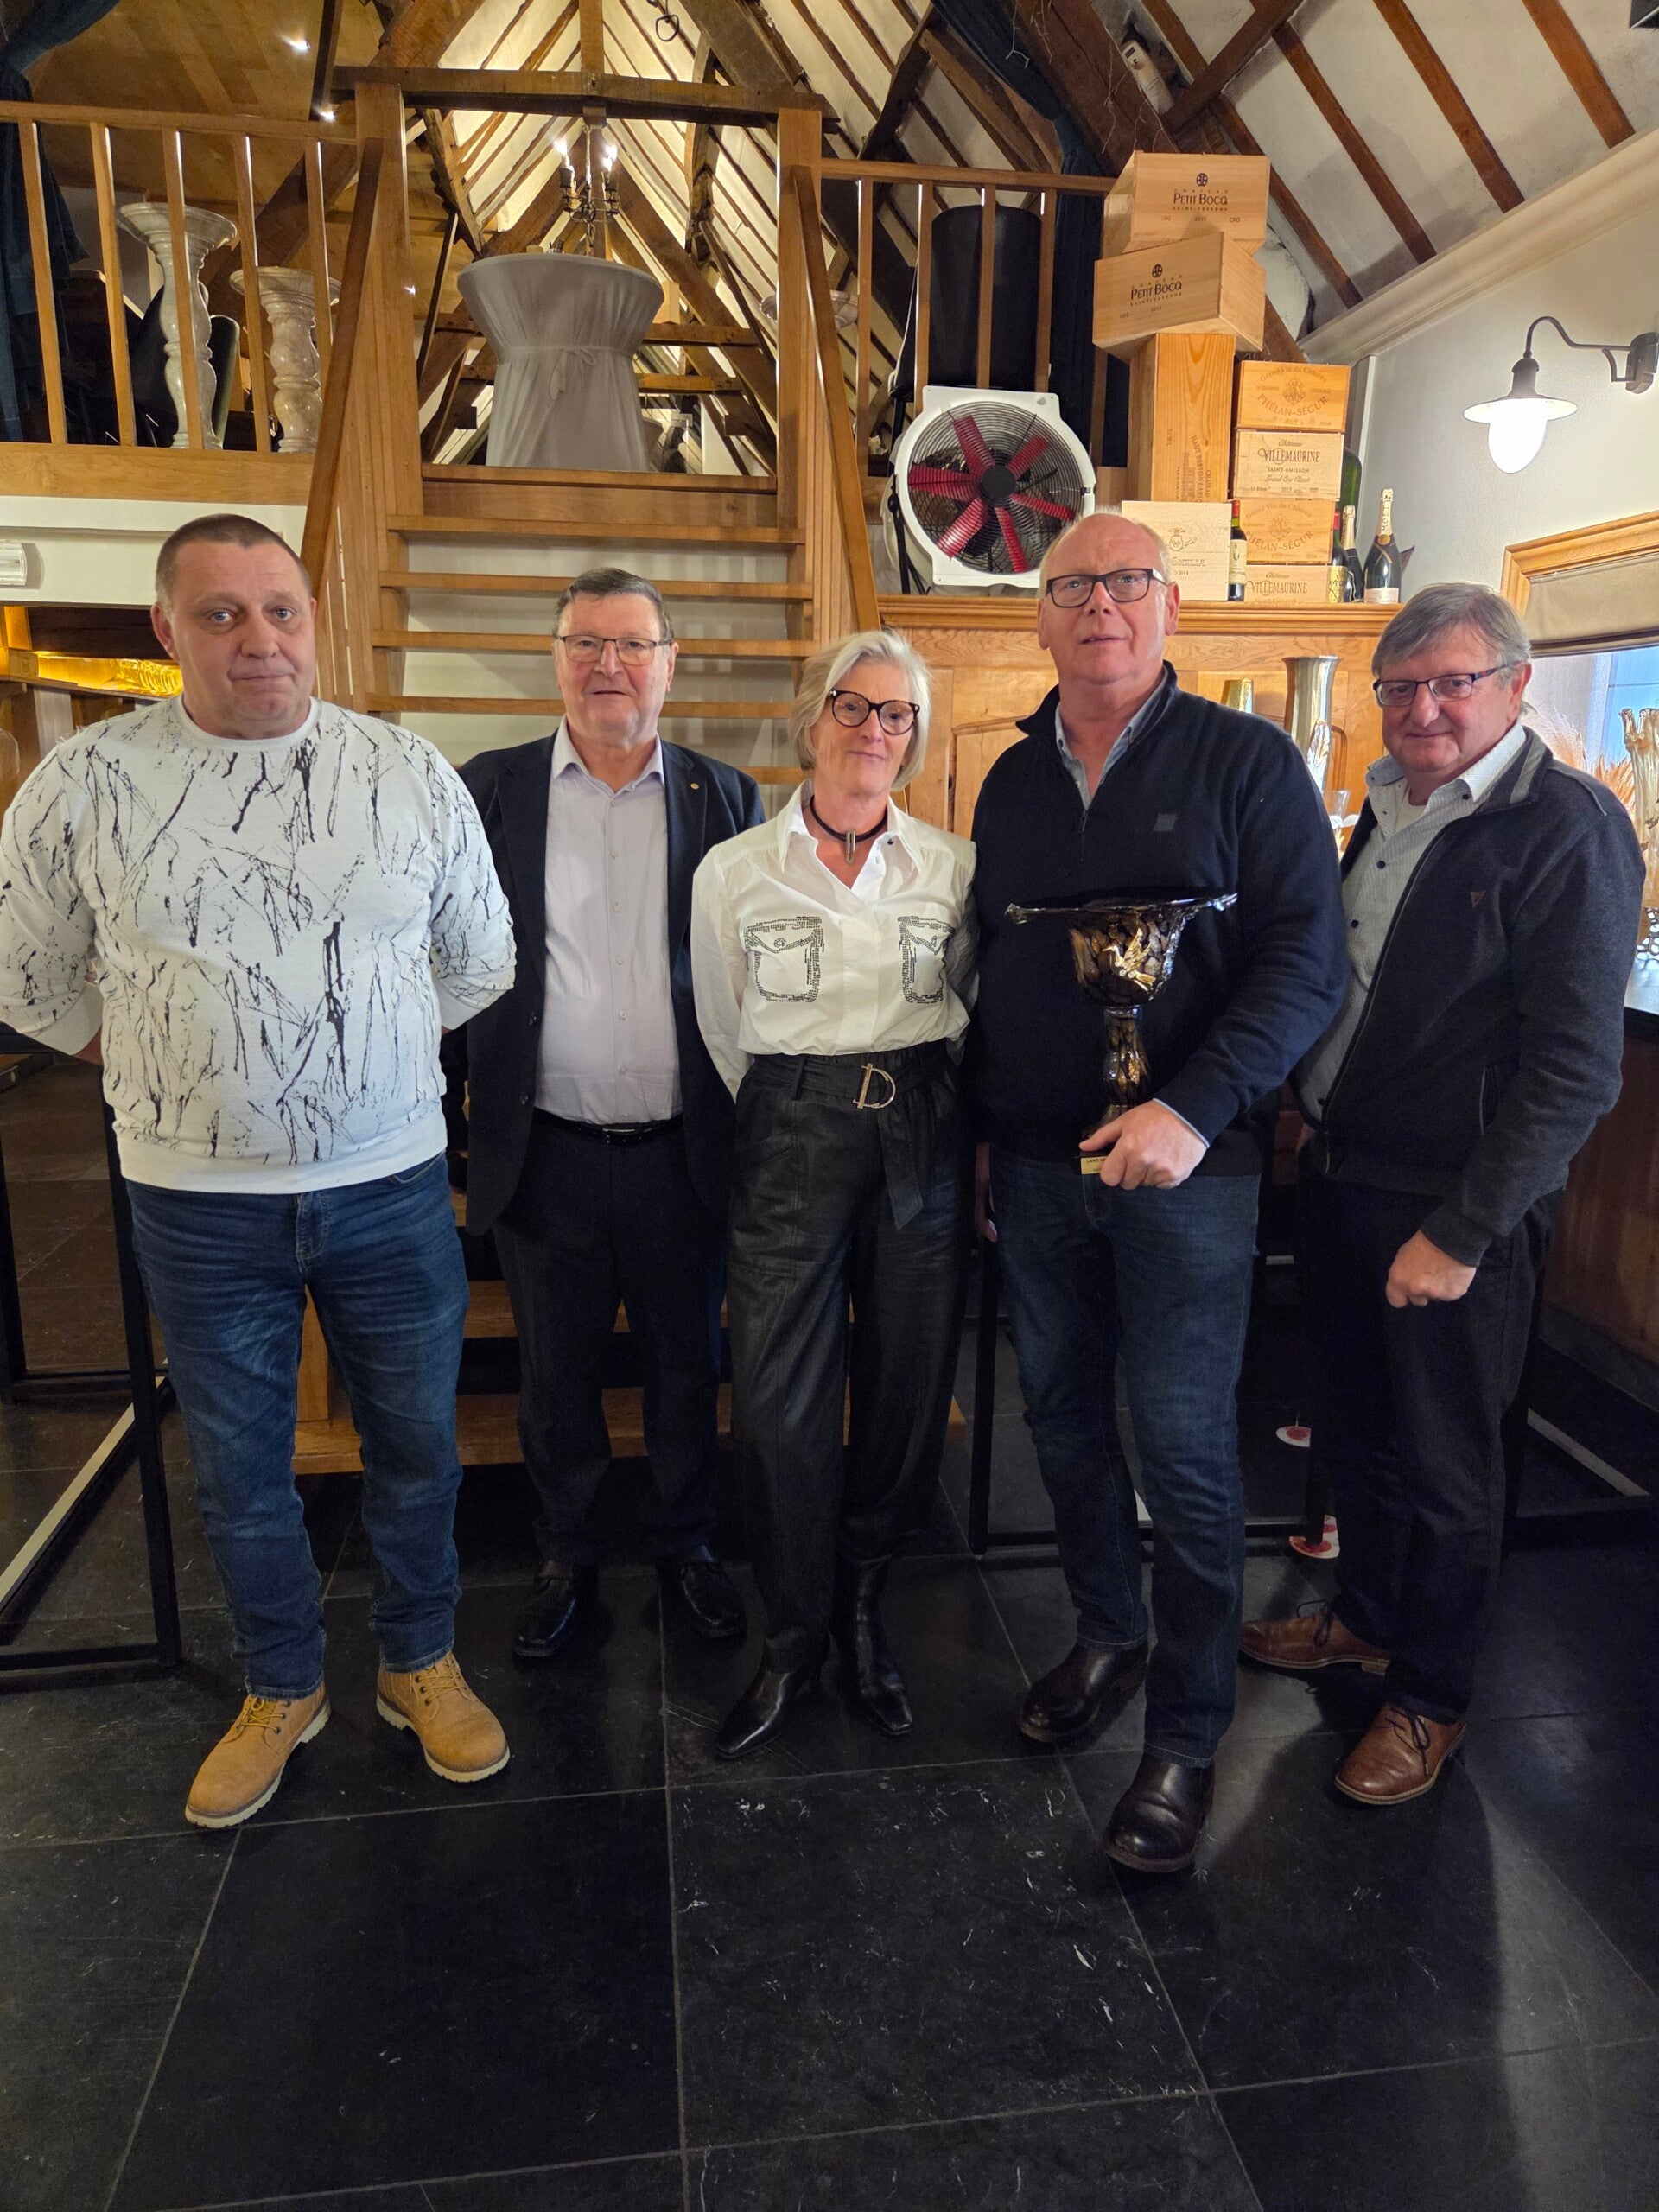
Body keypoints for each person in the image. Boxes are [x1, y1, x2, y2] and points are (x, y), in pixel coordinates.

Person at [0, 513, 517, 1827]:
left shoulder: (402, 771)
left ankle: (419, 1660)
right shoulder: (87, 782)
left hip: (391, 1189)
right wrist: (175, 1053)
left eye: (280, 609)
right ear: (166, 629)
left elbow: (477, 957)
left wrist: (353, 1054)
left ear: (312, 620)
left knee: (417, 1446)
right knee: (240, 1467)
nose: (258, 640)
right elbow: (27, 972)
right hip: (194, 1204)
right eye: (221, 614)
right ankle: (282, 1684)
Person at [971, 511, 1346, 1873]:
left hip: (1192, 1174)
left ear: (1170, 607)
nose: (1100, 607)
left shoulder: (1248, 763)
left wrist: (1193, 1109)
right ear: (1040, 618)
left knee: (1183, 1450)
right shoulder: (1010, 780)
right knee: (1063, 1421)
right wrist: (988, 1131)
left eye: (1127, 582)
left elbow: (1307, 963)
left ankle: (1186, 1734)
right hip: (1040, 1164)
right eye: (1072, 586)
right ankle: (1109, 1633)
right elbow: (992, 966)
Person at [1243, 583, 1643, 1802]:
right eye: (1401, 688)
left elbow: (1575, 1069)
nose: (1423, 709)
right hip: (1344, 1174)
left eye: (1452, 684)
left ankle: (1430, 1699)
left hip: (1450, 1205)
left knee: (1450, 1465)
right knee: (1356, 1428)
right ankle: (1367, 1616)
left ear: (1516, 686)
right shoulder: (1388, 806)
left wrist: (1463, 1230)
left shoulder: (1568, 826)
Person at [459, 568, 761, 1662]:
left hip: (685, 1149)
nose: (608, 665)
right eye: (585, 643)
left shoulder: (726, 797)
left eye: (633, 645)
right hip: (546, 1151)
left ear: (669, 664)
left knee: (687, 1364)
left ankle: (686, 1545)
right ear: (556, 660)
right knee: (556, 1376)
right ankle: (568, 1555)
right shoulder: (488, 789)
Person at [690, 631, 975, 1759]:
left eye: (897, 714)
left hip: (921, 1131)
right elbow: (723, 1027)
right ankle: (793, 1635)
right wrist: (798, 1110)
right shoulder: (735, 872)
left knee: (906, 1392)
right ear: (812, 719)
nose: (873, 730)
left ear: (915, 738)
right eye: (853, 706)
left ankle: (862, 1612)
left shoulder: (953, 868)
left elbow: (972, 1010)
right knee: (775, 1407)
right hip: (789, 1133)